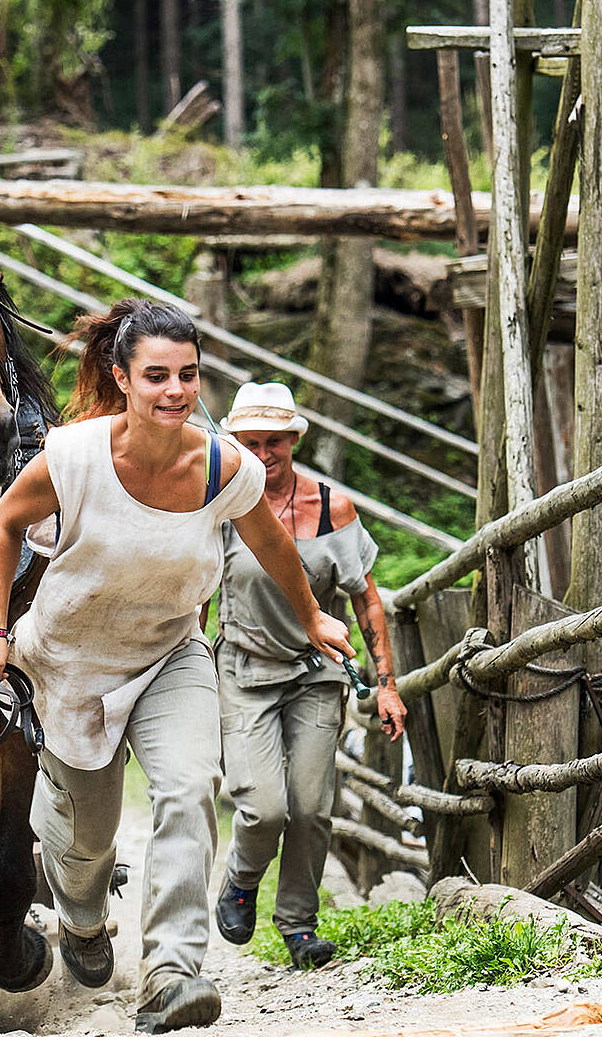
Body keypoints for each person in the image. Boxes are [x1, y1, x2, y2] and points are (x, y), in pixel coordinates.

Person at [0, 301, 354, 1033]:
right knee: (87, 842)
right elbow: (6, 525)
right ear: (121, 377)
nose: (175, 390)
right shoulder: (75, 456)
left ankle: (173, 974)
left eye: (188, 375)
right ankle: (82, 920)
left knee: (188, 789)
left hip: (170, 654)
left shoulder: (220, 464)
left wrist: (311, 616)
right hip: (71, 665)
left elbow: (272, 543)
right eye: (156, 376)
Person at [206, 382, 406, 970]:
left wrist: (387, 683)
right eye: (251, 444)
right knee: (264, 807)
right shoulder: (218, 505)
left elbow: (367, 600)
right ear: (233, 445)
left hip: (317, 674)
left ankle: (297, 924)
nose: (264, 456)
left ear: (294, 441)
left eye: (275, 443)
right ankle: (241, 881)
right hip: (243, 670)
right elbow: (195, 590)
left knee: (312, 805)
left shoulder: (331, 506)